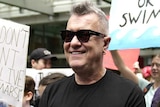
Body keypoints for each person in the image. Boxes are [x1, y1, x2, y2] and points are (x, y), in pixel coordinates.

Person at [39, 1, 145, 107]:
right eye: (68, 35)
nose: (74, 42)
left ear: (105, 43)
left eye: (84, 35)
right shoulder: (52, 92)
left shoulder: (129, 94)